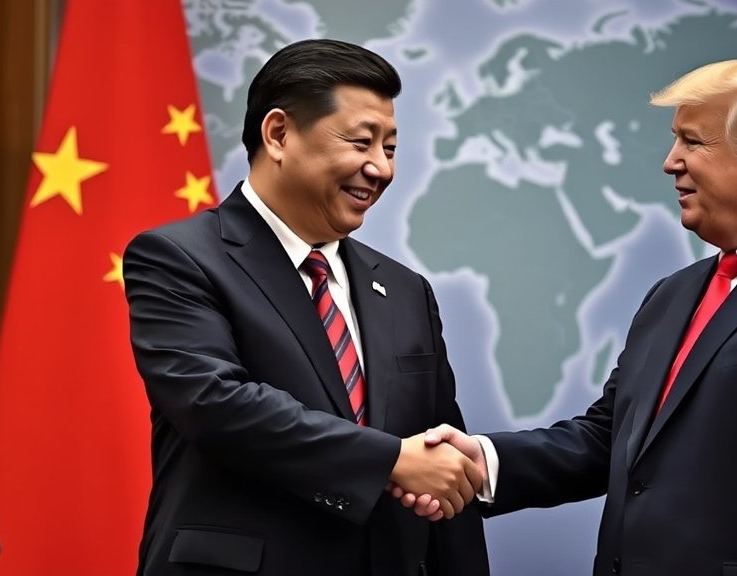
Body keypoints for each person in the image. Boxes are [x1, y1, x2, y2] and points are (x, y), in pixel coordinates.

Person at [409, 59, 737, 575]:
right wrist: (481, 462)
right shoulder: (675, 293)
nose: (670, 162)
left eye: (693, 142)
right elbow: (609, 440)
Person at [124, 39, 489, 576]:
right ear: (278, 134)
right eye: (361, 142)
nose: (380, 169)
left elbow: (443, 467)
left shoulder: (407, 290)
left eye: (390, 148)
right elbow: (215, 403)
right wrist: (391, 460)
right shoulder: (178, 258)